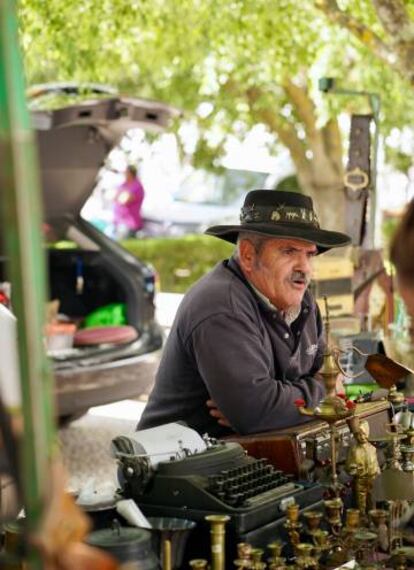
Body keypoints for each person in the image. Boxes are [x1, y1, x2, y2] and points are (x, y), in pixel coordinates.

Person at [138, 190, 350, 437]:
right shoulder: (220, 305)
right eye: (289, 251)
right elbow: (257, 412)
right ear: (248, 255)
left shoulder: (303, 302)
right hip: (178, 465)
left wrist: (279, 402)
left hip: (247, 458)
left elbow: (331, 377)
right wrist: (322, 395)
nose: (304, 267)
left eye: (309, 254)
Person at [113, 165, 145, 238]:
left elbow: (125, 200)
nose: (124, 174)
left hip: (129, 224)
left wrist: (120, 197)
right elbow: (114, 197)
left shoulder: (137, 186)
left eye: (126, 172)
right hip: (118, 221)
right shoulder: (123, 185)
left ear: (130, 173)